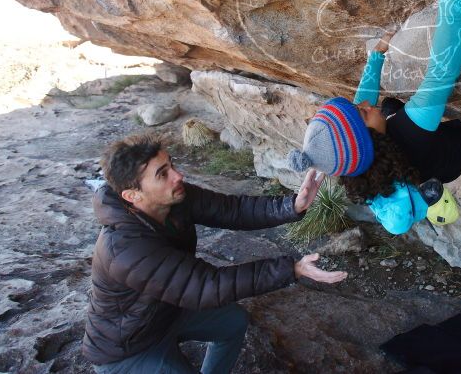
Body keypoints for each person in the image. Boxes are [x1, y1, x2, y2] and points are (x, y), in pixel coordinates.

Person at [288, 0, 461, 233]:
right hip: (450, 156)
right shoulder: (412, 127)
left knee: (388, 106)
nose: (362, 103)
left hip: (417, 161)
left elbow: (363, 103)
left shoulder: (361, 162)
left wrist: (378, 54)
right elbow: (442, 70)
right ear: (367, 138)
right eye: (360, 112)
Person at [82, 134, 346, 373]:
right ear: (133, 195)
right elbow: (206, 286)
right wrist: (293, 269)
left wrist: (293, 205)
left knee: (233, 322)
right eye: (162, 174)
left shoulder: (174, 199)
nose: (178, 175)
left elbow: (231, 210)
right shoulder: (124, 249)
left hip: (168, 312)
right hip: (130, 347)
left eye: (171, 164)